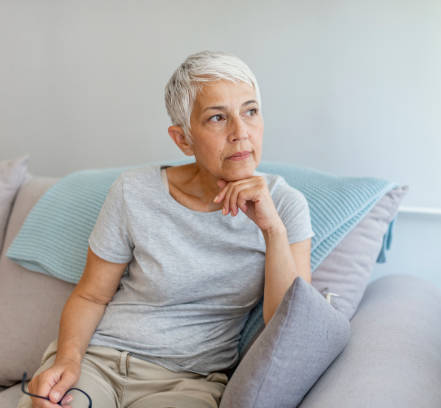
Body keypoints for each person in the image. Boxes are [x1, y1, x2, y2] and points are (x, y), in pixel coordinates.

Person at [18, 50, 314, 408]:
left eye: (250, 111)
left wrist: (273, 230)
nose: (240, 133)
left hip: (188, 383)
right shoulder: (134, 192)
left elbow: (286, 325)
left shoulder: (285, 206)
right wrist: (67, 359)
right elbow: (91, 295)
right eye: (217, 117)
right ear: (183, 139)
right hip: (99, 363)